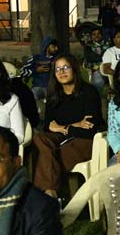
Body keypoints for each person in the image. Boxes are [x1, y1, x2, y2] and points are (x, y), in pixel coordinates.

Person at [32, 54, 104, 198]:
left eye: (66, 67)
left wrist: (63, 127)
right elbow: (48, 127)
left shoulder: (89, 92)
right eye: (57, 69)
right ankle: (51, 194)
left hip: (86, 141)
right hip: (63, 138)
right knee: (40, 139)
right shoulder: (54, 94)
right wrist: (75, 124)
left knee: (50, 158)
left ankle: (48, 196)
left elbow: (89, 130)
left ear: (74, 69)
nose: (62, 72)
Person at [21, 36, 59, 101]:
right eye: (53, 46)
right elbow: (23, 71)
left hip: (51, 88)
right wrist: (36, 70)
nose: (56, 48)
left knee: (53, 100)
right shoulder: (35, 58)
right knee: (30, 99)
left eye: (56, 46)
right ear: (47, 47)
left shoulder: (57, 59)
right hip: (37, 87)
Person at [82, 27, 110, 93]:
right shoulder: (88, 46)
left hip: (108, 68)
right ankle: (96, 96)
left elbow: (110, 57)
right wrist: (103, 57)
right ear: (91, 36)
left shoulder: (108, 44)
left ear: (102, 35)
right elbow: (90, 58)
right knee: (98, 80)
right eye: (94, 34)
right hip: (96, 69)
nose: (97, 36)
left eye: (98, 34)